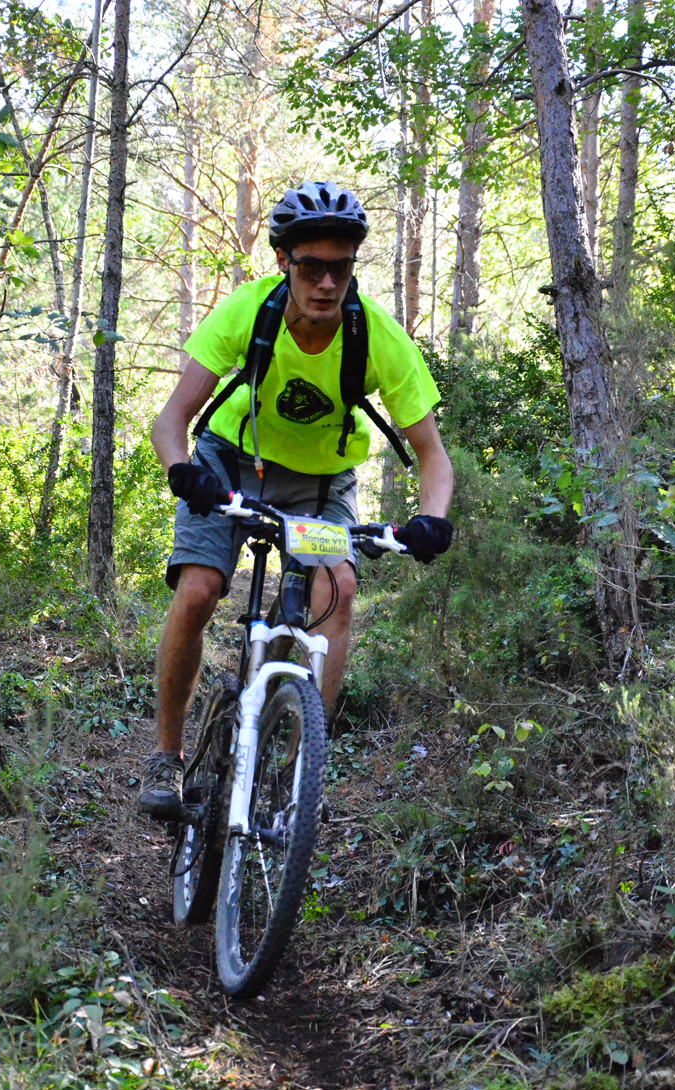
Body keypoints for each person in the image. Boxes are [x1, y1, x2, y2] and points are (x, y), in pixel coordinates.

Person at [139, 180, 453, 820]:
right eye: (312, 266)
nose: (327, 283)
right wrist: (183, 472)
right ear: (285, 261)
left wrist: (432, 521)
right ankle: (167, 760)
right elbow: (171, 421)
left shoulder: (379, 338)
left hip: (319, 484)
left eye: (340, 267)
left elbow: (434, 459)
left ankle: (294, 773)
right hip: (230, 464)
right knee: (198, 589)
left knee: (335, 588)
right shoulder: (250, 311)